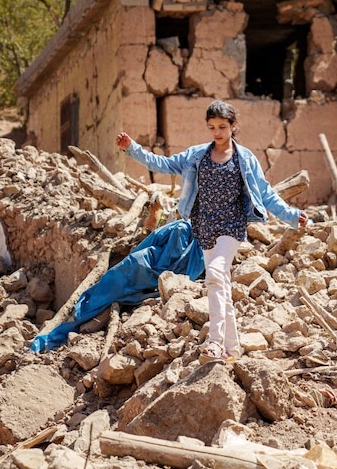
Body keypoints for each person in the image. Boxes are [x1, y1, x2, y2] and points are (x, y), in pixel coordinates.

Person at [116, 99, 309, 362]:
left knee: (216, 274)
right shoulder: (197, 155)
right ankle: (233, 348)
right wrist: (132, 149)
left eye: (222, 126)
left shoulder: (245, 159)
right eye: (212, 127)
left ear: (233, 126)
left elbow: (266, 194)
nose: (217, 132)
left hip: (231, 226)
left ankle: (215, 343)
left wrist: (292, 215)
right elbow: (162, 164)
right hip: (204, 228)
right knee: (221, 285)